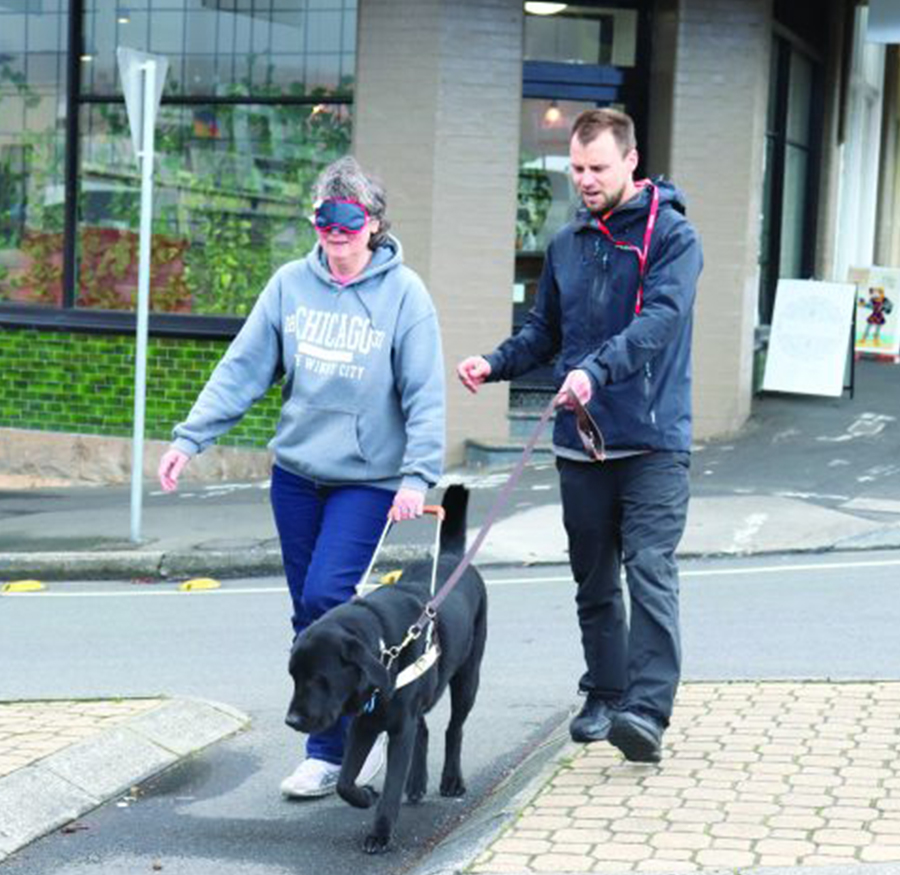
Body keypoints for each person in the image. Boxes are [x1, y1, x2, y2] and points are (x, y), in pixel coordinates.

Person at [158, 155, 446, 796]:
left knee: (327, 599)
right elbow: (243, 368)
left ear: (372, 223)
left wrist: (416, 477)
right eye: (324, 219)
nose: (334, 233)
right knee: (308, 615)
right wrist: (191, 437)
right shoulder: (290, 285)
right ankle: (328, 746)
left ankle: (349, 742)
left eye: (347, 220)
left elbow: (425, 394)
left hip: (368, 481)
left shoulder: (406, 296)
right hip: (297, 476)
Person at [458, 108, 702, 764]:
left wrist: (594, 372)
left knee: (649, 571)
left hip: (651, 441)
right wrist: (495, 362)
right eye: (576, 168)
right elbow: (545, 331)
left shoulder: (672, 237)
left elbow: (659, 321)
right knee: (592, 580)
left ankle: (646, 714)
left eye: (597, 168)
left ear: (631, 161)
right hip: (581, 442)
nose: (585, 180)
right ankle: (605, 692)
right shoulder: (568, 243)